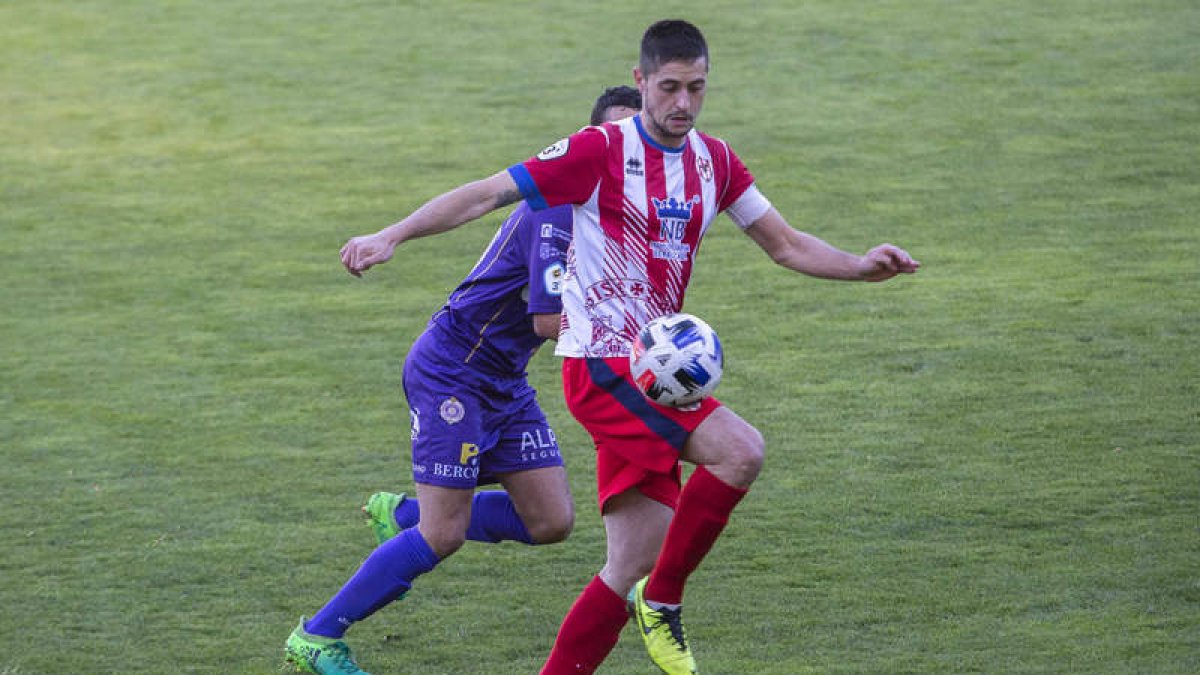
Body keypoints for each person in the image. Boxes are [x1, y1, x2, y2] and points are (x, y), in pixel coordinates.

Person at [338, 19, 919, 675]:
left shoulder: (716, 162)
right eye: (669, 87)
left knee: (628, 561)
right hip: (602, 366)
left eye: (696, 88)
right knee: (741, 450)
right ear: (642, 81)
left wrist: (859, 264)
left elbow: (784, 243)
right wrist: (394, 234)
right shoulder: (598, 150)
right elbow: (485, 194)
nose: (683, 104)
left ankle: (623, 612)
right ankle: (665, 600)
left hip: (652, 375)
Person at [283, 86, 642, 675]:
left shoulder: (618, 215)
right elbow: (550, 321)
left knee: (550, 521)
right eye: (616, 138)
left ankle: (402, 518)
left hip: (503, 379)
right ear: (591, 144)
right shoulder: (558, 213)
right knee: (444, 533)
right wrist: (642, 347)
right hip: (453, 372)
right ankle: (317, 637)